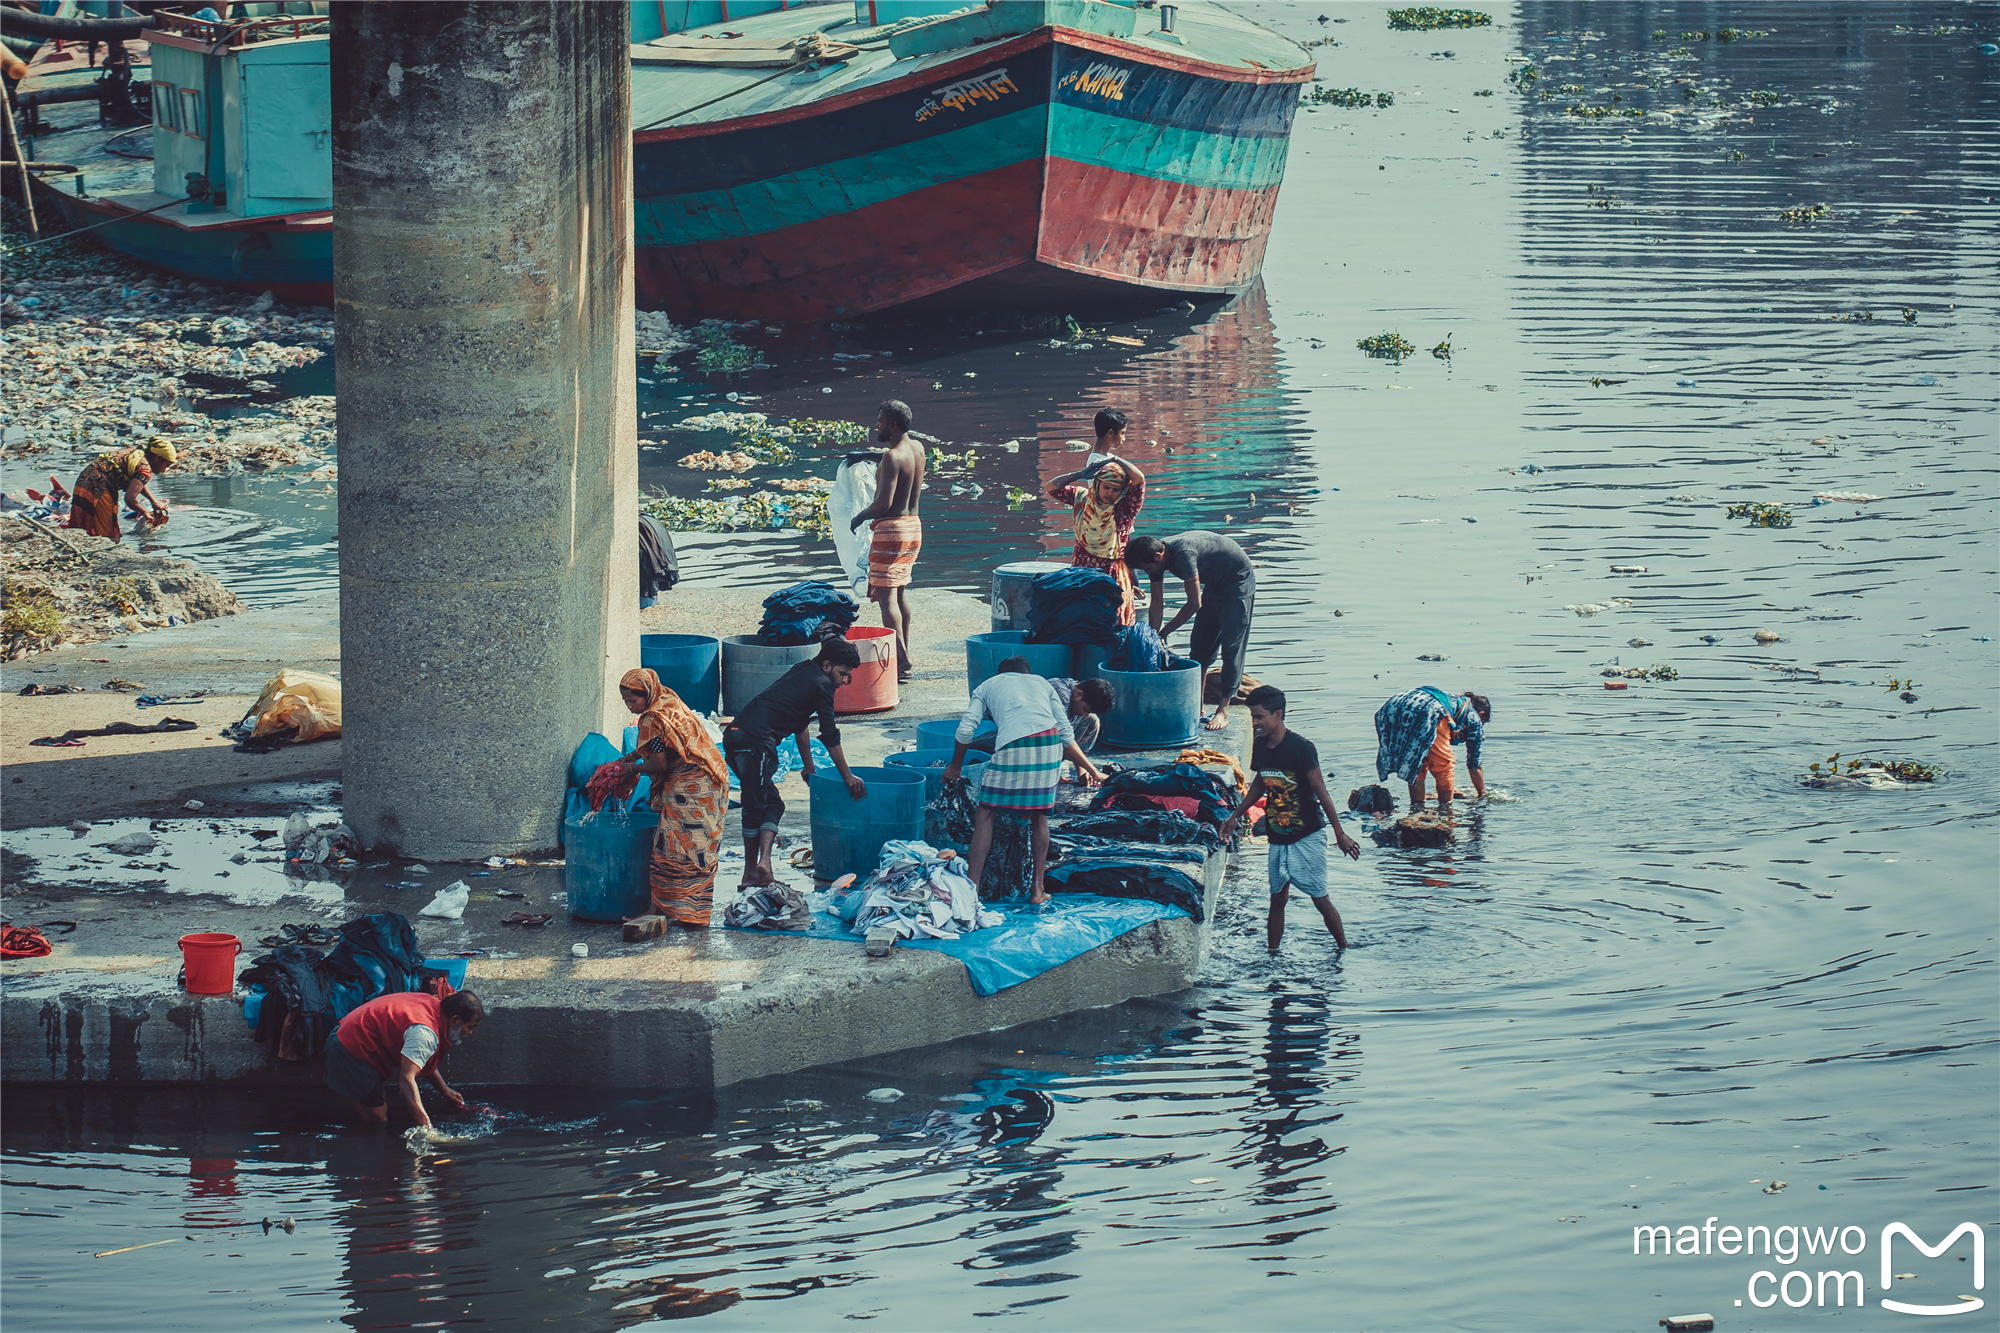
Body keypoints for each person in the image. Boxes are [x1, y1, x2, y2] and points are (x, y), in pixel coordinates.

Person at [944, 658, 1105, 904]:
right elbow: (1065, 732)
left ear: (1001, 673)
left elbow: (967, 728)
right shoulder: (1041, 682)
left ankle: (972, 890)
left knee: (985, 814)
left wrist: (956, 765)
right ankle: (1037, 891)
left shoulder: (987, 685)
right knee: (1040, 817)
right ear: (1026, 673)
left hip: (1013, 745)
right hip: (1051, 747)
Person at [1219, 685, 1361, 952]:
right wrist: (1234, 817)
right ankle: (1273, 953)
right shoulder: (1260, 745)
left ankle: (1343, 947)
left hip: (1307, 834)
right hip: (1278, 833)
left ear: (1278, 715)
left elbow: (1321, 791)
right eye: (1252, 716)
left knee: (1319, 898)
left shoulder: (1301, 748)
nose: (1255, 722)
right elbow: (1260, 783)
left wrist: (1339, 833)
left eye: (1259, 716)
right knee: (1277, 899)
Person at [723, 638, 867, 889]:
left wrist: (808, 765)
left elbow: (800, 724)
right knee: (755, 806)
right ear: (826, 665)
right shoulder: (823, 684)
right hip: (755, 741)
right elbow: (830, 733)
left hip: (736, 737)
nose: (844, 681)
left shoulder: (802, 670)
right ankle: (752, 872)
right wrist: (847, 776)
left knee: (772, 803)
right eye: (843, 674)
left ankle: (762, 865)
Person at [616, 667, 728, 927]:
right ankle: (694, 914)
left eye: (633, 701)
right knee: (699, 849)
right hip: (712, 780)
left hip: (691, 789)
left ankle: (658, 910)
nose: (630, 706)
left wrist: (631, 769)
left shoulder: (652, 718)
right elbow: (663, 742)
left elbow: (659, 763)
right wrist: (629, 758)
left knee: (668, 849)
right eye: (625, 702)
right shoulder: (668, 699)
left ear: (647, 694)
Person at [1124, 531, 1255, 732]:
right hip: (1214, 585)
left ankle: (1222, 710)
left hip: (1237, 582)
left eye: (1147, 568)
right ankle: (1198, 706)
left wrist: (1166, 631)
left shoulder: (1183, 554)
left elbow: (1194, 603)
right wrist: (1152, 636)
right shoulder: (1156, 560)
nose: (1148, 572)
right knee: (1200, 648)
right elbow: (1157, 602)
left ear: (1158, 557)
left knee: (1231, 648)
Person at [846, 399, 926, 683]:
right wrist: (868, 455)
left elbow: (882, 504)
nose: (876, 426)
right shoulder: (917, 448)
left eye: (880, 421)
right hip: (913, 528)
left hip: (891, 530)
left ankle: (902, 660)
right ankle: (902, 652)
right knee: (900, 593)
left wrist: (859, 517)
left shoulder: (892, 458)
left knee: (885, 597)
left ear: (892, 425)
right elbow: (897, 460)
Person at [326, 989, 483, 1128]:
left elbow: (420, 1057)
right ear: (454, 1020)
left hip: (351, 1033)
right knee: (377, 1121)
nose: (469, 1033)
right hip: (350, 1048)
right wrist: (426, 1128)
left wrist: (445, 1090)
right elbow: (406, 1080)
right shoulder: (425, 1033)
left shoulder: (434, 1006)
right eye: (469, 1027)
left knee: (377, 1112)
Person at [1045, 447, 1146, 625]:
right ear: (1097, 484)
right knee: (1082, 619)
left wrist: (1115, 459)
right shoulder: (1082, 498)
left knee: (1115, 620)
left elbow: (1139, 479)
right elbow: (1051, 487)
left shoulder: (1125, 508)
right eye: (1106, 487)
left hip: (1112, 573)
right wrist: (1079, 474)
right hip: (1082, 570)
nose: (1110, 493)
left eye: (1116, 490)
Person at [1373, 686, 1490, 811]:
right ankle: (1446, 810)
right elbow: (1474, 764)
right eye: (1483, 722)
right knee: (1444, 765)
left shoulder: (1453, 700)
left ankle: (1417, 807)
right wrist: (1482, 794)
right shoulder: (1473, 716)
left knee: (1417, 761)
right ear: (1481, 714)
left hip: (1393, 707)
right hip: (1426, 711)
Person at [965, 674, 1114, 755]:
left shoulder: (1077, 697)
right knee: (982, 749)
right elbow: (1064, 736)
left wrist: (1081, 768)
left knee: (1092, 721)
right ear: (1079, 694)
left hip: (1045, 743)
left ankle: (1073, 760)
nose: (1083, 714)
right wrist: (1092, 770)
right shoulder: (1059, 692)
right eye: (1085, 709)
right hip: (1022, 738)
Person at [64, 435, 177, 542]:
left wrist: (154, 501)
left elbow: (137, 484)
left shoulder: (137, 455)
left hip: (85, 479)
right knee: (108, 530)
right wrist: (144, 512)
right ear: (157, 458)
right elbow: (130, 499)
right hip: (100, 486)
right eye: (166, 465)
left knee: (84, 520)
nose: (164, 470)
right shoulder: (145, 470)